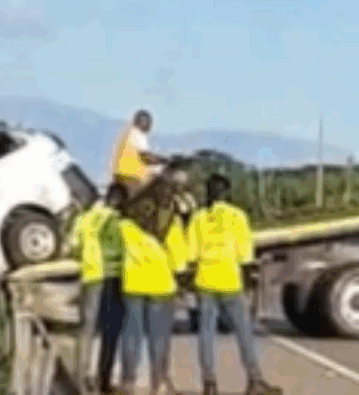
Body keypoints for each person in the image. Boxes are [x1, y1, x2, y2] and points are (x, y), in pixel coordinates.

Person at [188, 174, 281, 395]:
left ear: (208, 192)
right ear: (226, 193)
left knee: (206, 334)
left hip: (205, 280)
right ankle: (254, 381)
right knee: (244, 332)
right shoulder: (237, 215)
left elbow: (191, 254)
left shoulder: (199, 217)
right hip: (230, 281)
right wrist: (249, 282)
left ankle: (209, 384)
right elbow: (245, 255)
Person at [117, 200, 191, 395]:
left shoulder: (125, 223)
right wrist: (182, 278)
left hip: (133, 283)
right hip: (161, 284)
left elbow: (119, 250)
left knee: (131, 334)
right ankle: (159, 383)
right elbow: (178, 255)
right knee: (159, 337)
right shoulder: (170, 222)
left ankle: (127, 383)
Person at [69, 184, 130, 394]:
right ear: (119, 200)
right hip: (112, 277)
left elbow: (73, 245)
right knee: (110, 331)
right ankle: (104, 380)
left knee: (86, 330)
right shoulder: (117, 220)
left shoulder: (84, 218)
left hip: (89, 276)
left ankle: (80, 380)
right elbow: (121, 249)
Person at [111, 109, 169, 198]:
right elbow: (146, 157)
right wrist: (163, 161)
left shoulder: (129, 133)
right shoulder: (137, 135)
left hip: (120, 174)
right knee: (160, 184)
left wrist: (159, 159)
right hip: (132, 175)